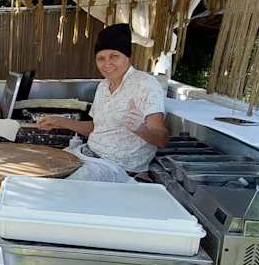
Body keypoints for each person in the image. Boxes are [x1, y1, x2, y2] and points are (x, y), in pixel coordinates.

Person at [36, 23, 169, 182]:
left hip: (117, 167)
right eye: (101, 58)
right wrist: (59, 122)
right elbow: (97, 128)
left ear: (127, 57)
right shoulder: (103, 85)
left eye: (114, 56)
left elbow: (161, 139)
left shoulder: (146, 84)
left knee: (58, 186)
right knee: (39, 169)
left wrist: (140, 129)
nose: (107, 64)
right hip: (87, 154)